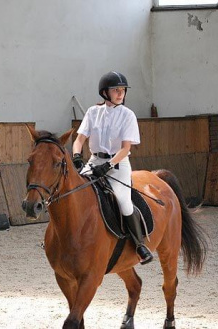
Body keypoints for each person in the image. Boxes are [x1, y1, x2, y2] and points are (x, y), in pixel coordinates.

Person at [72, 71, 153, 265]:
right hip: (94, 161)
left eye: (123, 90)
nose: (120, 93)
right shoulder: (93, 112)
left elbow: (126, 149)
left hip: (118, 164)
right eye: (116, 90)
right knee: (74, 192)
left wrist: (108, 165)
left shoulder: (128, 115)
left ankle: (140, 245)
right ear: (105, 92)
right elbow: (79, 139)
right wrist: (76, 155)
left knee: (123, 200)